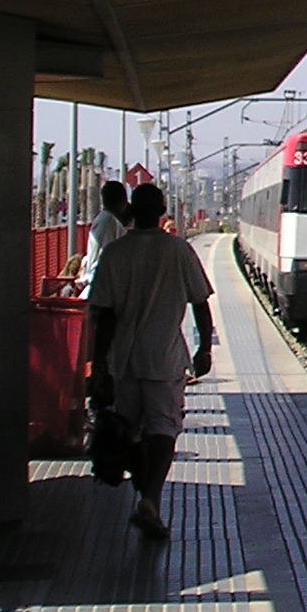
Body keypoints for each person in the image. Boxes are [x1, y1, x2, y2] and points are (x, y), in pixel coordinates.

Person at [87, 184, 213, 540]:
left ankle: (144, 495)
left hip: (123, 360)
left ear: (131, 210)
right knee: (164, 429)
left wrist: (98, 366)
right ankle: (152, 498)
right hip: (164, 358)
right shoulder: (179, 250)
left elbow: (105, 315)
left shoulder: (115, 253)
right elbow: (200, 303)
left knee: (130, 428)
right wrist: (205, 348)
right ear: (161, 211)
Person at [79, 179, 129, 295]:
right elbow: (106, 257)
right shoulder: (108, 222)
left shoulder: (105, 220)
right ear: (123, 201)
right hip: (102, 291)